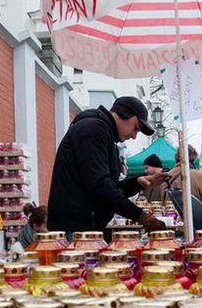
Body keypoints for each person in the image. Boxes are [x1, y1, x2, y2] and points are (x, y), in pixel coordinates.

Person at [47, 96, 168, 233]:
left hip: (82, 225)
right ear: (125, 113)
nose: (134, 136)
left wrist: (137, 182)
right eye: (135, 128)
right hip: (74, 227)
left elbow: (109, 187)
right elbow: (100, 186)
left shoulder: (106, 137)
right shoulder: (93, 129)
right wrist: (142, 217)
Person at [165, 144, 202, 213]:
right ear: (193, 157)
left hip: (171, 220)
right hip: (195, 220)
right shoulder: (199, 176)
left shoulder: (166, 176)